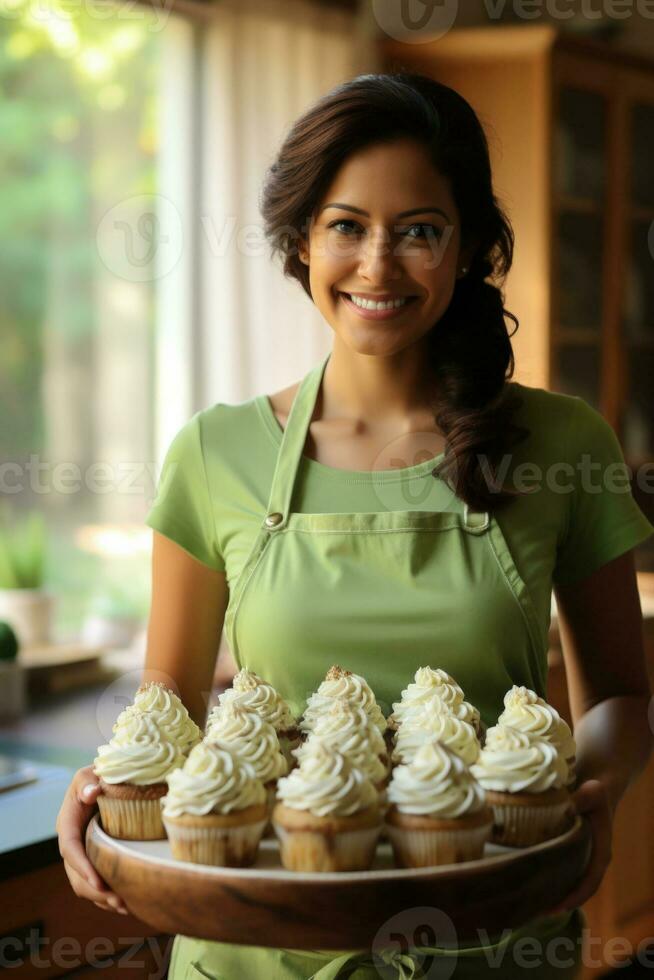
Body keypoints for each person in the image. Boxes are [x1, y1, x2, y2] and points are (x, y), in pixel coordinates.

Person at [57, 72, 654, 979]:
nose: (378, 265)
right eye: (346, 226)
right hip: (256, 949)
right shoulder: (216, 453)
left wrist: (598, 792)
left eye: (420, 230)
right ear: (300, 242)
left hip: (486, 939)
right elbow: (168, 710)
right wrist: (99, 790)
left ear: (467, 250)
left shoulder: (563, 443)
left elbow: (619, 695)